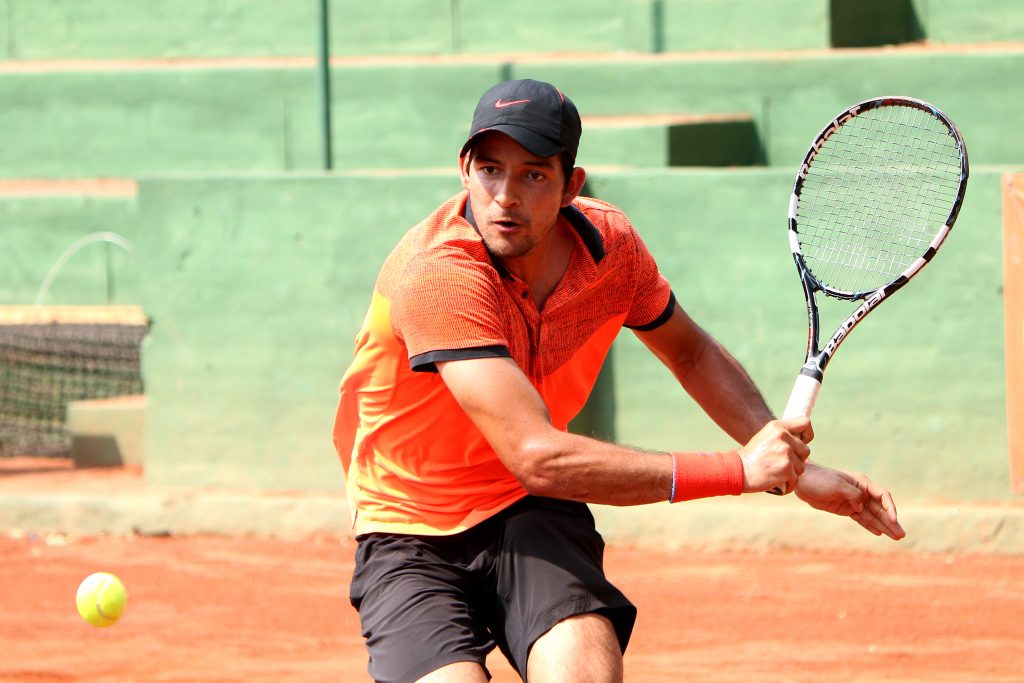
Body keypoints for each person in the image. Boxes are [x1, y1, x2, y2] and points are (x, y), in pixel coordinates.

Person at [333, 78, 905, 683]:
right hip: (408, 525)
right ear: (464, 170)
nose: (504, 197)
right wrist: (738, 470)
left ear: (571, 185)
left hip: (524, 509)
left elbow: (690, 353)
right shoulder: (441, 275)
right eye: (489, 170)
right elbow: (538, 455)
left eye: (533, 175)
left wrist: (790, 466)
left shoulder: (610, 250)